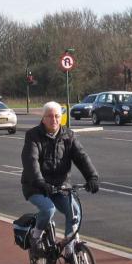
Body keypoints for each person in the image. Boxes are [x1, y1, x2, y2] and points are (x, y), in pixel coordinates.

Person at [21, 101, 99, 254]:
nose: (54, 120)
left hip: (60, 186)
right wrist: (40, 182)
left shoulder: (68, 135)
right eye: (49, 116)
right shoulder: (33, 136)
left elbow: (81, 157)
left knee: (75, 211)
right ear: (43, 118)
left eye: (57, 116)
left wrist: (92, 177)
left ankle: (69, 245)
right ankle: (35, 236)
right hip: (36, 186)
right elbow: (31, 161)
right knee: (49, 209)